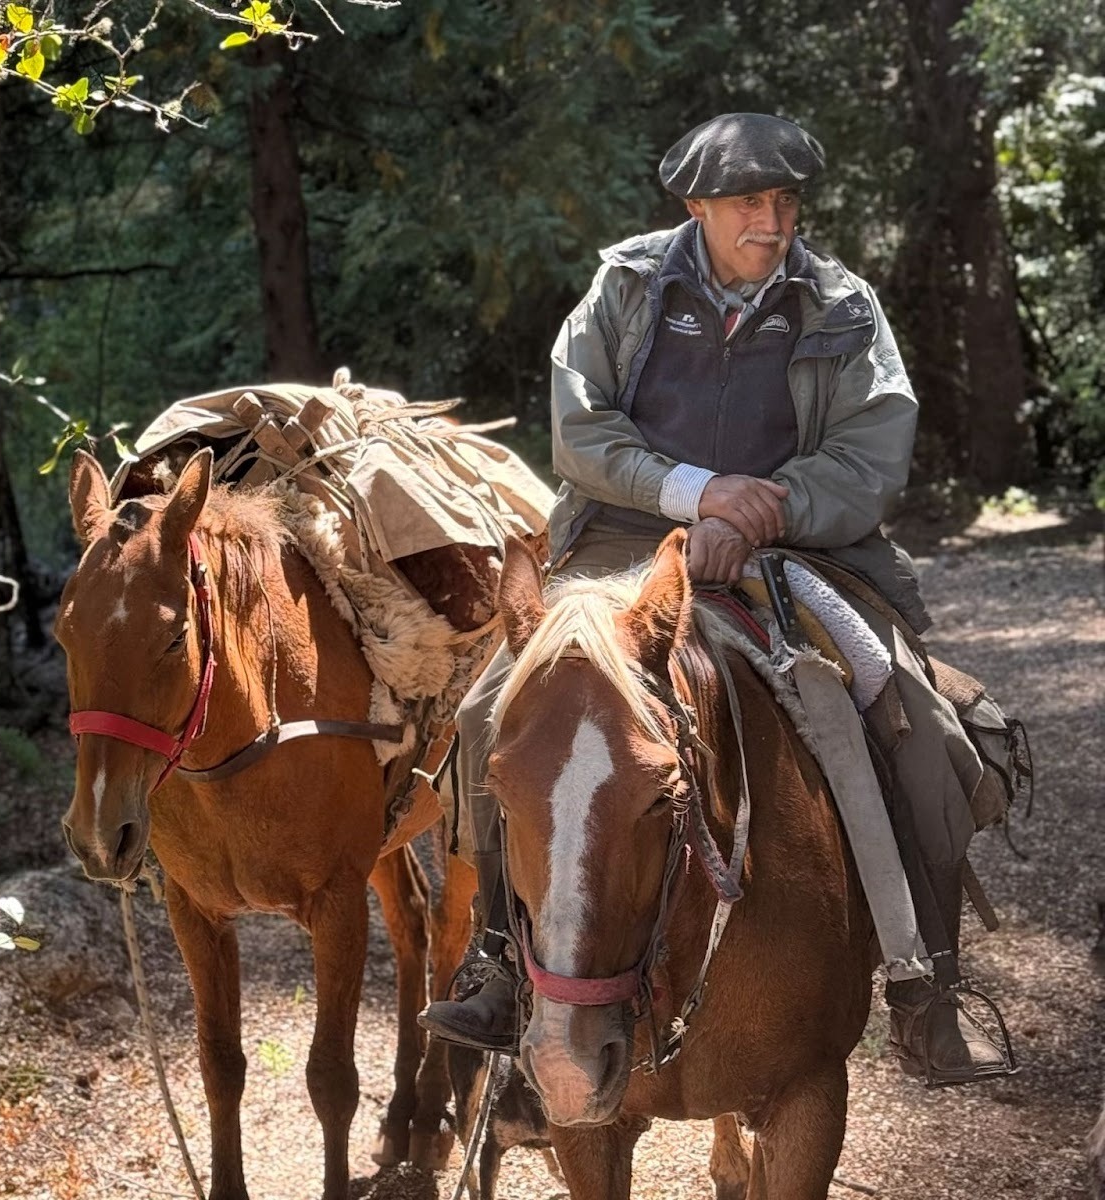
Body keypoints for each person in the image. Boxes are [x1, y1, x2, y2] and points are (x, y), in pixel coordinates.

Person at [419, 112, 1015, 1085]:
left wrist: (759, 510)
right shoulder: (624, 288)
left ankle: (925, 990)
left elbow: (870, 458)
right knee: (494, 709)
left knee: (907, 711)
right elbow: (580, 433)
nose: (772, 220)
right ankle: (498, 962)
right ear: (695, 207)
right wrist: (693, 494)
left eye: (784, 202)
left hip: (798, 542)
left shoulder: (843, 305)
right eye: (748, 202)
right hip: (620, 540)